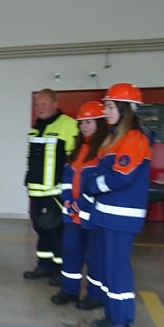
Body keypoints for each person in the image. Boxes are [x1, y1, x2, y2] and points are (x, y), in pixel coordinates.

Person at [81, 83, 153, 327]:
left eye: (110, 106)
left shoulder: (135, 138)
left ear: (125, 109)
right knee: (109, 267)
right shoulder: (117, 138)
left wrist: (92, 186)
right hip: (108, 213)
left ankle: (121, 322)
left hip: (120, 217)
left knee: (118, 269)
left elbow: (121, 177)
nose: (106, 110)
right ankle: (112, 315)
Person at [51, 101, 109, 311]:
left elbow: (102, 184)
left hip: (92, 215)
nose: (84, 126)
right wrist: (68, 200)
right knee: (71, 252)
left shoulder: (104, 150)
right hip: (73, 214)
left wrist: (80, 204)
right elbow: (67, 179)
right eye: (82, 122)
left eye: (89, 122)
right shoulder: (78, 149)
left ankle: (95, 295)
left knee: (94, 256)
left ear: (100, 123)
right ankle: (69, 290)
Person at [24, 89, 78, 284]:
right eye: (37, 104)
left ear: (55, 103)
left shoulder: (69, 125)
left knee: (57, 231)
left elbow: (76, 160)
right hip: (37, 192)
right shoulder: (36, 128)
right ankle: (44, 266)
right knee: (42, 229)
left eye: (44, 104)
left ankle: (62, 271)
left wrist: (69, 188)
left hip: (56, 192)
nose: (39, 108)